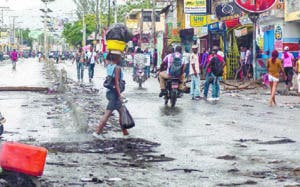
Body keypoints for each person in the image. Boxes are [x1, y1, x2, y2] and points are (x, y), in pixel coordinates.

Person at [93, 50, 128, 137]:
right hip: (114, 94)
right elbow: (116, 83)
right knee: (108, 113)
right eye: (120, 56)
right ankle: (97, 132)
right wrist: (120, 96)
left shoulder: (109, 65)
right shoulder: (117, 68)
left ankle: (125, 133)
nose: (121, 58)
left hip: (110, 93)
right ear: (117, 58)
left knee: (121, 112)